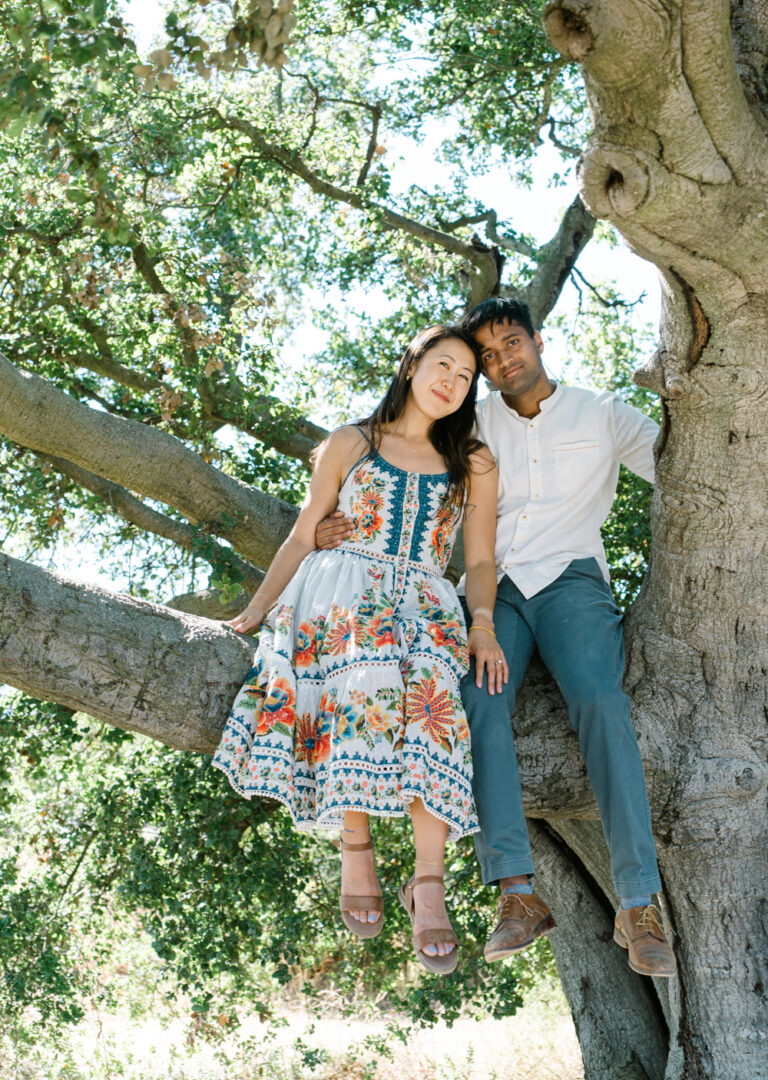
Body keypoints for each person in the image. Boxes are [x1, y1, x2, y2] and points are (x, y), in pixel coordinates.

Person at [317, 298, 677, 979]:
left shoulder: (601, 414)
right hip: (492, 592)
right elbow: (393, 465)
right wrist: (333, 525)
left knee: (602, 702)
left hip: (572, 580)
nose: (503, 360)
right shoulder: (471, 426)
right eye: (489, 355)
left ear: (537, 341)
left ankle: (638, 904)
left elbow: (681, 472)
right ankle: (516, 893)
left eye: (512, 343)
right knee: (475, 704)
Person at [213, 324, 505, 976]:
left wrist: (480, 623)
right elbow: (300, 536)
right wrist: (255, 613)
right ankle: (356, 849)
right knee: (360, 681)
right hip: (340, 590)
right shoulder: (352, 442)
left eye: (464, 377)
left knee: (432, 701)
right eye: (443, 365)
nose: (451, 382)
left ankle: (428, 883)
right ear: (412, 365)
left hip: (427, 602)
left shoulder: (474, 461)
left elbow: (480, 559)